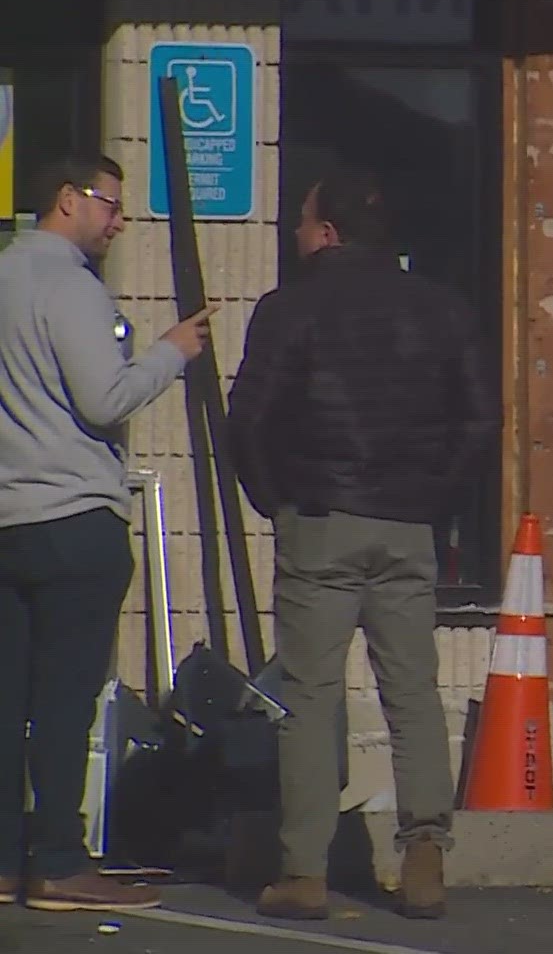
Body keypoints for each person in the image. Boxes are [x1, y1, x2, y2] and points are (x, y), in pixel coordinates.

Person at [227, 170, 495, 920]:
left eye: (304, 223)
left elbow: (248, 418)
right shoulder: (443, 308)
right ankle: (425, 855)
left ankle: (304, 871)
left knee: (311, 696)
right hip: (409, 521)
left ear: (328, 234)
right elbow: (479, 420)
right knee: (410, 689)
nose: (298, 234)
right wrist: (435, 499)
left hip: (320, 514)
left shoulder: (290, 309)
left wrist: (275, 498)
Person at [0, 155, 213, 912]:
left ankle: (4, 857)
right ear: (68, 201)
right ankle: (58, 857)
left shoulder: (4, 275)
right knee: (63, 701)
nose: (119, 222)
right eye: (111, 206)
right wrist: (170, 352)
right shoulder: (72, 287)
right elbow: (104, 397)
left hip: (9, 517)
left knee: (8, 695)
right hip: (74, 516)